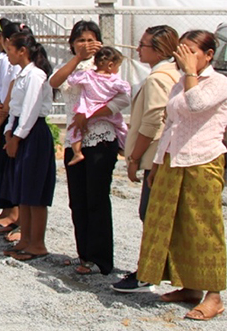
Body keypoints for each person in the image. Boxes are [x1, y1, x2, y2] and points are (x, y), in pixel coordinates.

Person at [135, 30, 227, 321]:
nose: (183, 56)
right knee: (175, 224)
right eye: (181, 50)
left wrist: (189, 73)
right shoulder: (179, 82)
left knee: (204, 227)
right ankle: (190, 286)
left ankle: (214, 295)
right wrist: (157, 164)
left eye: (191, 51)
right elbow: (170, 125)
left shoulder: (219, 83)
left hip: (203, 159)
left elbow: (196, 104)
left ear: (208, 55)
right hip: (173, 159)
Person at [49, 20, 129, 276]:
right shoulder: (72, 68)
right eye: (80, 40)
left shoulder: (106, 66)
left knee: (97, 198)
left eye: (90, 40)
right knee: (78, 200)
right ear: (72, 43)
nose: (85, 44)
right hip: (75, 140)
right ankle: (84, 254)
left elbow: (122, 98)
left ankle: (100, 259)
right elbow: (54, 82)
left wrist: (92, 115)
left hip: (100, 138)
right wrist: (77, 58)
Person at [112, 25, 180, 293]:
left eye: (143, 45)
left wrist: (134, 157)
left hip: (155, 157)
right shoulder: (174, 74)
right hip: (169, 154)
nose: (138, 49)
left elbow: (152, 123)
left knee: (150, 214)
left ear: (160, 50)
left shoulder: (158, 79)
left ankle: (148, 272)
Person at [1, 29, 55, 262]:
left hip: (33, 133)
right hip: (20, 131)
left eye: (10, 50)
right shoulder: (23, 75)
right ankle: (25, 240)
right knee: (23, 190)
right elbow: (15, 108)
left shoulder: (35, 75)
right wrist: (7, 131)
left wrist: (17, 137)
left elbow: (31, 110)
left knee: (34, 192)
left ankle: (37, 244)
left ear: (22, 51)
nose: (8, 55)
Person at [64, 47, 130, 167]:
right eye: (118, 66)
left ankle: (77, 153)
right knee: (121, 127)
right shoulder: (114, 80)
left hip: (87, 109)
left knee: (75, 130)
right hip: (106, 110)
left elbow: (71, 80)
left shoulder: (88, 75)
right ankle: (123, 148)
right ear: (110, 65)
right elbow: (126, 91)